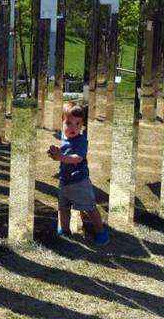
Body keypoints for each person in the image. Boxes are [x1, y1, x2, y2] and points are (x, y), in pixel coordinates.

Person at [47, 101, 110, 246]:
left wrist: (61, 157)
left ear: (82, 126)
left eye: (78, 124)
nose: (73, 127)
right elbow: (63, 154)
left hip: (79, 182)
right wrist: (55, 152)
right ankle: (64, 229)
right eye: (69, 123)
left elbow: (77, 158)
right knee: (63, 207)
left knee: (89, 207)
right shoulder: (64, 139)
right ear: (62, 123)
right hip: (64, 181)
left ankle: (101, 231)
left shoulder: (81, 140)